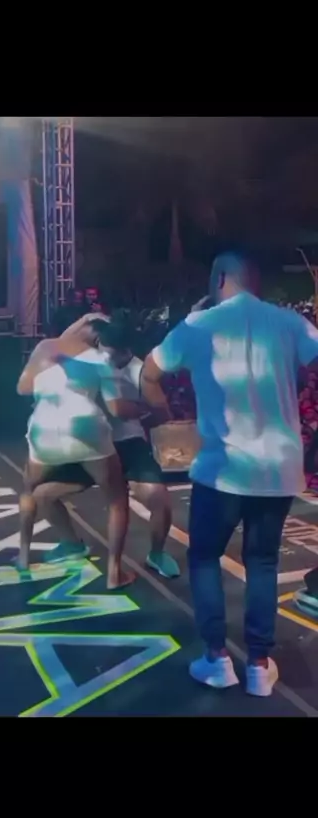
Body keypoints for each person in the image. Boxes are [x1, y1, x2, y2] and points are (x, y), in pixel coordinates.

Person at [141, 251, 318, 698]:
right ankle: (258, 664)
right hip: (278, 468)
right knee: (263, 562)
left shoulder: (198, 325)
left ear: (220, 278)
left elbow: (149, 370)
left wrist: (163, 414)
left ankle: (216, 658)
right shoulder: (290, 323)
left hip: (221, 470)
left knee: (204, 558)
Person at [32, 314, 180, 578]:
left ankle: (156, 554)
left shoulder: (140, 371)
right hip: (92, 445)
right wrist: (86, 319)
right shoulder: (89, 359)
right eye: (103, 350)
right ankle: (72, 544)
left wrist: (136, 411)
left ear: (126, 351)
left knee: (159, 499)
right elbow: (55, 345)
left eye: (112, 355)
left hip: (129, 445)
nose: (106, 359)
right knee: (43, 495)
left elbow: (162, 413)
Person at [17, 313, 135, 590]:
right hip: (87, 429)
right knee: (116, 497)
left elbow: (22, 388)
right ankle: (114, 573)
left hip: (44, 429)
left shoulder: (46, 348)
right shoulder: (101, 359)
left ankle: (23, 557)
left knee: (29, 490)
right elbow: (116, 408)